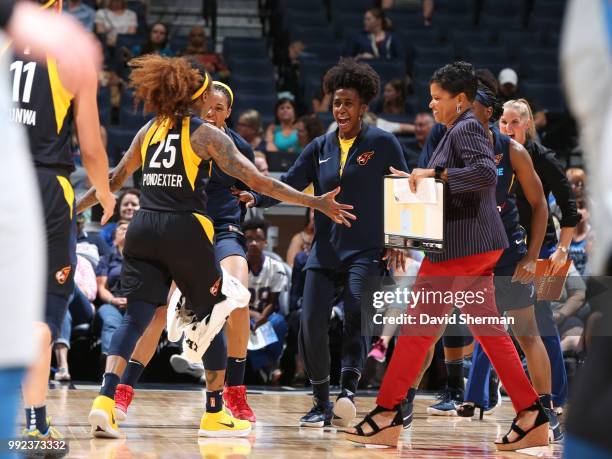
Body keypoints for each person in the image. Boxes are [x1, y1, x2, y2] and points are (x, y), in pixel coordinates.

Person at [75, 54, 355, 439]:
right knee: (213, 311)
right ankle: (213, 411)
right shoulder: (205, 135)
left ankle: (104, 400)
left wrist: (71, 207)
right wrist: (315, 202)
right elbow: (263, 182)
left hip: (143, 227)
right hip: (185, 231)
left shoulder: (148, 130)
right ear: (198, 95)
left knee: (134, 318)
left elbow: (113, 178)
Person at [344, 62, 547, 451]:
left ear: (460, 100)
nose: (431, 103)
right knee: (488, 332)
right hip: (475, 245)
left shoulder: (468, 126)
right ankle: (531, 414)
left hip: (462, 247)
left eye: (438, 98)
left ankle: (387, 413)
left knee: (417, 330)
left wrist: (434, 175)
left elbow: (486, 174)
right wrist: (418, 179)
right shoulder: (458, 128)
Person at [239, 57, 408, 428]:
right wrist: (255, 197)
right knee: (310, 321)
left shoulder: (384, 143)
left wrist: (399, 240)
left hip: (366, 249)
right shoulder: (319, 147)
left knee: (356, 315)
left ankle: (347, 392)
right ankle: (320, 400)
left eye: (348, 102)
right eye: (336, 102)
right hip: (325, 249)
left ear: (364, 106)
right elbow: (288, 182)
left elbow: (404, 190)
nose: (341, 109)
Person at [112, 81, 261, 424]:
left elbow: (259, 186)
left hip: (222, 229)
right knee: (157, 311)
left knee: (238, 297)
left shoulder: (237, 148)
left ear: (228, 113)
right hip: (183, 229)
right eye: (206, 106)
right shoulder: (180, 135)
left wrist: (257, 198)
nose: (211, 113)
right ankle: (123, 391)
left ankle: (234, 394)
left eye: (218, 108)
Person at [10, 0, 116, 447]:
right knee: (43, 313)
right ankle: (35, 425)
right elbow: (90, 147)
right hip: (46, 188)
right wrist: (106, 194)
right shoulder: (71, 52)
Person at [454, 79, 563, 442]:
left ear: (489, 114)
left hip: (508, 254)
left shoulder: (513, 150)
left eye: (474, 112)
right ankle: (417, 398)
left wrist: (532, 257)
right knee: (469, 331)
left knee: (527, 333)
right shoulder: (455, 148)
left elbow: (538, 206)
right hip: (471, 254)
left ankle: (545, 410)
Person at [500, 98, 580, 412]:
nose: (507, 128)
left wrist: (562, 249)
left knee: (543, 322)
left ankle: (556, 397)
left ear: (528, 124)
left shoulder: (542, 157)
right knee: (495, 322)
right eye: (503, 122)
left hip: (547, 249)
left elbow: (570, 208)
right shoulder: (498, 154)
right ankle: (476, 396)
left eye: (514, 123)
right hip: (511, 250)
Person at [243, 218, 289, 383]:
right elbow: (231, 299)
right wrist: (253, 315)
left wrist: (262, 317)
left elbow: (273, 300)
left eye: (258, 239)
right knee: (244, 325)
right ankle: (267, 366)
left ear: (265, 242)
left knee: (278, 322)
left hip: (267, 314)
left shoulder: (276, 266)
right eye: (249, 239)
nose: (253, 243)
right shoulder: (238, 265)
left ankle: (263, 365)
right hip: (241, 313)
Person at [53, 256, 97, 381]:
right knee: (63, 312)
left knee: (69, 284)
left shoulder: (83, 262)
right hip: (61, 309)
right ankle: (63, 367)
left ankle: (61, 303)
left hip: (82, 309)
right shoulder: (52, 264)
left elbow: (92, 292)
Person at [95, 220, 129, 357]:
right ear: (115, 237)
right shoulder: (106, 259)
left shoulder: (144, 260)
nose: (126, 231)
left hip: (136, 304)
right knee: (110, 321)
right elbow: (101, 287)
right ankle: (109, 364)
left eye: (130, 229)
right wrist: (113, 300)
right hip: (111, 303)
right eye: (122, 229)